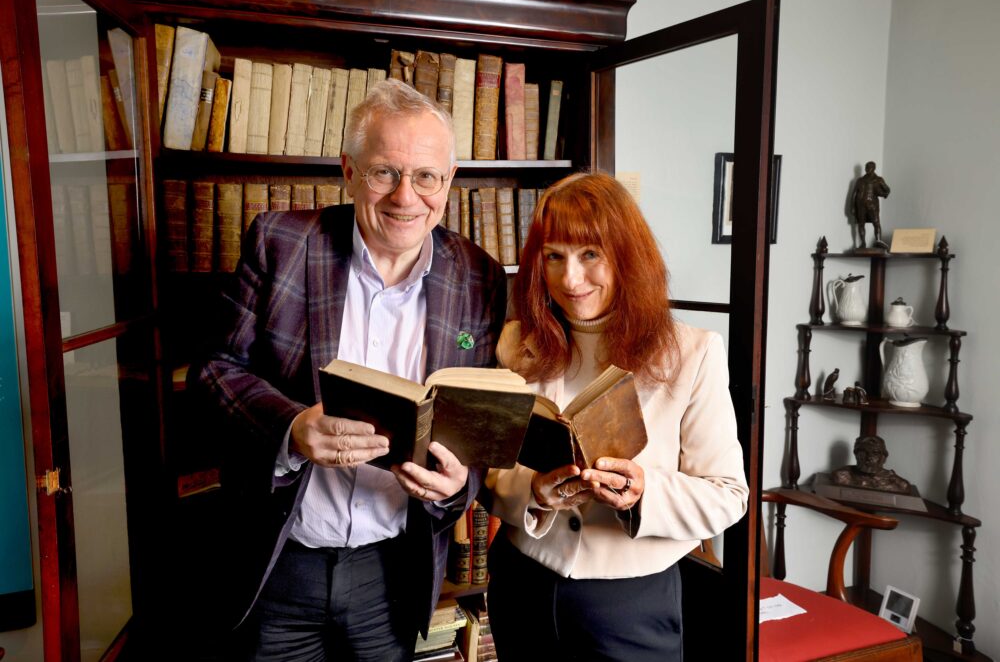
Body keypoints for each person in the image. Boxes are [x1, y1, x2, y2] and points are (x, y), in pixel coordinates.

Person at [189, 79, 507, 661]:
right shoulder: (280, 242)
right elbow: (212, 371)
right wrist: (291, 428)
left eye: (427, 176)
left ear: (450, 179)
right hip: (281, 559)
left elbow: (481, 427)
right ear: (349, 170)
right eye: (385, 171)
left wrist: (458, 487)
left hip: (395, 571)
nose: (406, 197)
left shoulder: (481, 278)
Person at [483, 172, 749, 661]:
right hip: (523, 583)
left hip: (632, 603)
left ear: (626, 256)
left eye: (590, 255)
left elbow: (728, 497)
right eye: (554, 257)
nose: (570, 279)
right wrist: (533, 493)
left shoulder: (694, 352)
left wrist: (644, 491)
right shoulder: (515, 345)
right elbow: (489, 468)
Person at [831, 435, 911, 493]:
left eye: (875, 453)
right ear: (856, 454)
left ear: (884, 457)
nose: (869, 457)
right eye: (864, 452)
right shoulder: (842, 476)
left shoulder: (900, 485)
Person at [851, 160, 891, 248]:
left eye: (869, 167)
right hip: (860, 205)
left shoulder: (878, 179)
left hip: (872, 205)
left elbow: (887, 190)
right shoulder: (860, 180)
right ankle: (863, 243)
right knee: (861, 224)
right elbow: (854, 194)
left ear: (873, 169)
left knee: (876, 223)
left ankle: (878, 240)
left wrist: (884, 194)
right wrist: (853, 207)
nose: (867, 169)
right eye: (866, 167)